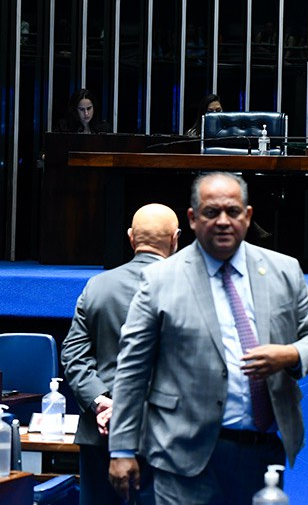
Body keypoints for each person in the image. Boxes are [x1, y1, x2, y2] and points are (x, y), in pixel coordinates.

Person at [108, 172, 308, 504]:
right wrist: (122, 449)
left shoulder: (284, 270)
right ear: (193, 219)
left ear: (248, 216)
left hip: (262, 451)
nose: (223, 221)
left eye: (233, 211)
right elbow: (132, 369)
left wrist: (291, 355)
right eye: (212, 212)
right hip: (183, 452)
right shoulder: (159, 279)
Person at [61, 203, 180, 505]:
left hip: (101, 434)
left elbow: (73, 355)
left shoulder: (97, 286)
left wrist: (102, 402)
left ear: (130, 238)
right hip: (165, 436)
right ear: (175, 239)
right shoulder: (190, 290)